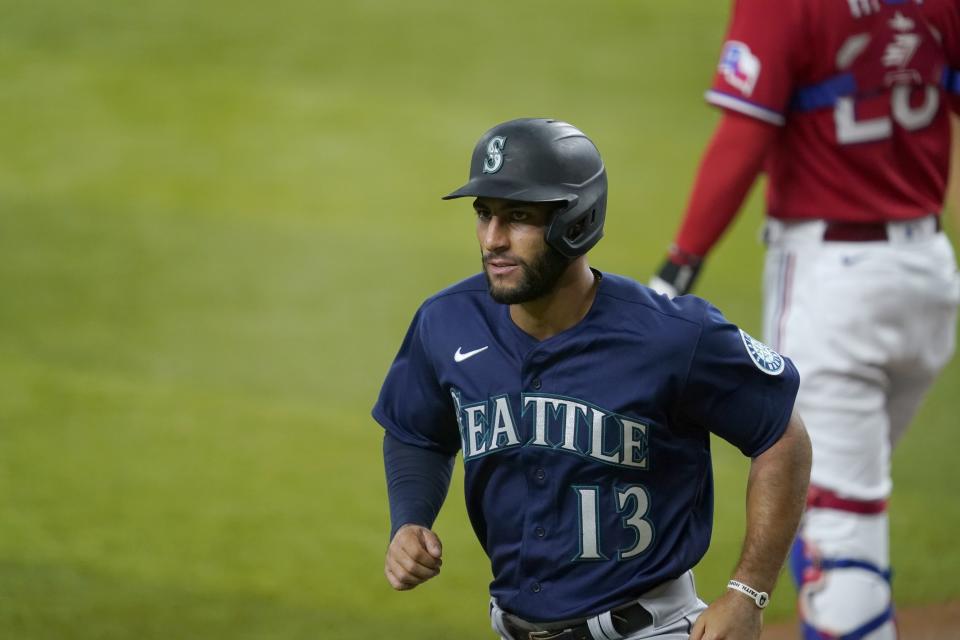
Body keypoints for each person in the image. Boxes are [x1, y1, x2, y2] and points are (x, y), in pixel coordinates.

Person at [374, 117, 812, 640]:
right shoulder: (446, 322)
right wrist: (410, 518)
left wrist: (749, 591)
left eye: (517, 217)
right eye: (484, 214)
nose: (493, 239)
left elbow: (782, 434)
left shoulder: (671, 335)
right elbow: (416, 430)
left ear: (575, 222)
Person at [650, 1, 960, 637]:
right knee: (830, 504)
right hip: (929, 271)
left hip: (837, 289)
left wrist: (676, 270)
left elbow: (743, 138)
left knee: (834, 523)